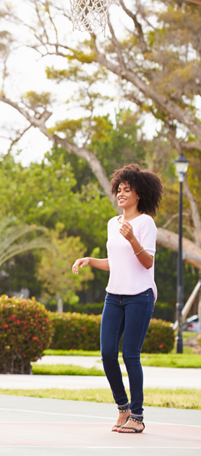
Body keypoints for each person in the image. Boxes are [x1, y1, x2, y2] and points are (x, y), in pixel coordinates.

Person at [72, 164, 162, 434]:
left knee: (130, 355)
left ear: (139, 195)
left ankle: (137, 415)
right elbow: (116, 262)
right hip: (114, 295)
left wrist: (133, 239)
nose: (121, 194)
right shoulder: (113, 223)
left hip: (140, 296)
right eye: (119, 189)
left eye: (127, 190)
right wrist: (90, 260)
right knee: (108, 353)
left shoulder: (145, 223)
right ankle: (123, 408)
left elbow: (146, 262)